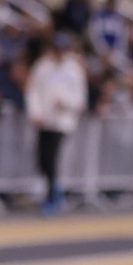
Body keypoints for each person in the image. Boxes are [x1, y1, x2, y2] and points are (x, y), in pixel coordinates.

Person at [25, 33, 88, 214]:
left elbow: (80, 99)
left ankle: (54, 195)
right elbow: (33, 90)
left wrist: (66, 103)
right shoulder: (43, 66)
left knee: (52, 158)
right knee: (42, 159)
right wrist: (35, 112)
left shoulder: (74, 69)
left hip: (62, 122)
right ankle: (52, 191)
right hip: (44, 120)